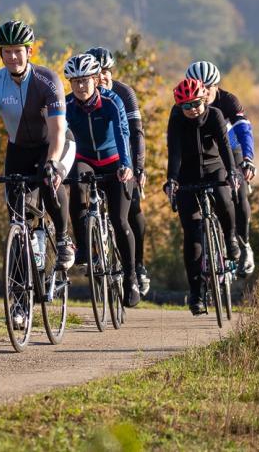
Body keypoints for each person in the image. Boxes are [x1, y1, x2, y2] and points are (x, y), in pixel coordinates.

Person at [0, 20, 76, 270]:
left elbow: (57, 130)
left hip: (55, 143)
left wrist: (52, 163)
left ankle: (63, 240)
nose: (12, 57)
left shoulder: (48, 80)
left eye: (18, 50)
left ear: (29, 51)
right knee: (16, 216)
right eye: (6, 52)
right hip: (18, 148)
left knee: (49, 179)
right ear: (0, 54)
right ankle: (21, 293)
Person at [63, 53, 141, 308]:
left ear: (96, 80)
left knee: (120, 220)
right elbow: (60, 138)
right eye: (75, 82)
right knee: (75, 184)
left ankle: (131, 278)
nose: (80, 86)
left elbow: (123, 132)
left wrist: (126, 165)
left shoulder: (111, 101)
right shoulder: (67, 106)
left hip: (114, 160)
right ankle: (85, 247)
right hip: (85, 158)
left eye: (85, 80)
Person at [164, 78, 240, 316]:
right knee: (193, 234)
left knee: (224, 198)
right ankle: (197, 293)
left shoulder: (215, 115)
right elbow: (174, 151)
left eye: (196, 103)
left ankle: (230, 239)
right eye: (186, 106)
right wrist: (172, 180)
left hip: (214, 168)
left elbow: (225, 147)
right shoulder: (176, 117)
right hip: (187, 174)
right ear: (179, 106)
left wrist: (231, 173)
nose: (192, 109)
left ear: (204, 99)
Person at [86, 45, 151, 296]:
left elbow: (135, 133)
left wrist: (138, 168)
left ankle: (138, 265)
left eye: (106, 71)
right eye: (97, 72)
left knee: (132, 207)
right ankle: (93, 249)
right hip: (92, 159)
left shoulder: (124, 93)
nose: (102, 76)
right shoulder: (82, 96)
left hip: (123, 160)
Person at [185, 60, 257, 277]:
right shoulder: (190, 100)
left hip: (231, 149)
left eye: (209, 87)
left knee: (240, 194)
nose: (204, 92)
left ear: (217, 86)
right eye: (200, 86)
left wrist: (248, 158)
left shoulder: (228, 101)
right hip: (206, 154)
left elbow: (243, 130)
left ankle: (244, 245)